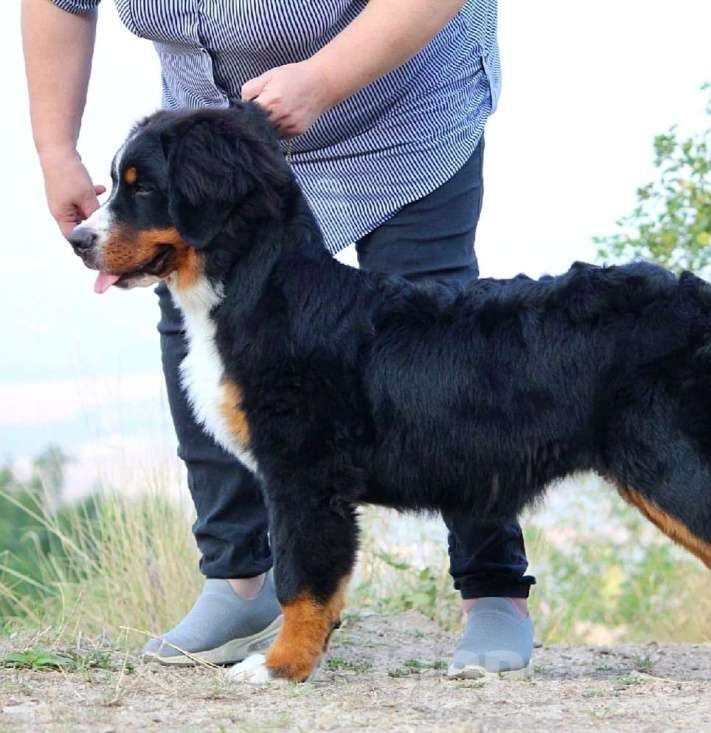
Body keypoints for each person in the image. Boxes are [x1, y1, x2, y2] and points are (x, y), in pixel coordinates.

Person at [23, 0, 535, 676]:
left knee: (437, 342)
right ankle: (237, 582)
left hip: (400, 107)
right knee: (204, 327)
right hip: (219, 153)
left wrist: (323, 79)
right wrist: (56, 151)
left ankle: (491, 586)